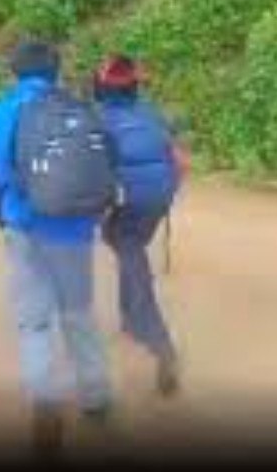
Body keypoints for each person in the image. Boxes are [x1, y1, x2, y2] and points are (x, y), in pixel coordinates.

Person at [0, 40, 114, 460]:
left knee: (34, 324)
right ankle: (96, 400)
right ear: (56, 72)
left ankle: (47, 406)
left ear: (14, 73)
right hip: (74, 232)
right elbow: (105, 169)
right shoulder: (82, 109)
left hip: (26, 229)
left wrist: (10, 221)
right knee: (78, 314)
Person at [92, 54, 187, 397]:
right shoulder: (151, 112)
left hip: (127, 201)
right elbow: (181, 161)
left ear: (100, 87)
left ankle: (161, 345)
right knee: (128, 245)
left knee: (127, 249)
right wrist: (166, 191)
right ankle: (130, 320)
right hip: (160, 197)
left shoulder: (97, 119)